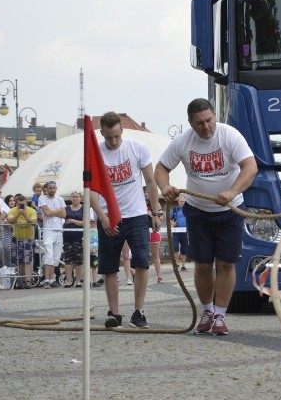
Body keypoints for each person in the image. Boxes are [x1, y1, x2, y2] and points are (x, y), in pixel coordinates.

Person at [156, 98, 257, 336]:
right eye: (200, 123)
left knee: (225, 263)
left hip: (230, 211)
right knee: (202, 264)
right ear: (190, 123)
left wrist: (232, 191)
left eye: (209, 120)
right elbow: (161, 168)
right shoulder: (182, 141)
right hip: (198, 211)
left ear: (215, 117)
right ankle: (207, 310)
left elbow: (250, 167)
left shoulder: (230, 135)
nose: (206, 127)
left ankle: (221, 315)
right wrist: (165, 187)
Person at [90, 111, 162, 329]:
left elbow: (150, 181)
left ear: (122, 130)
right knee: (109, 267)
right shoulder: (95, 155)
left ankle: (139, 312)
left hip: (137, 214)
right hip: (109, 216)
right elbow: (90, 190)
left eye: (116, 136)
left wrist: (156, 211)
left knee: (141, 262)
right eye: (108, 137)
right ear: (101, 133)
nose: (112, 141)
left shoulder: (137, 148)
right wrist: (102, 218)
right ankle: (114, 313)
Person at [38, 181, 66, 288]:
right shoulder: (42, 199)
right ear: (46, 189)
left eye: (54, 188)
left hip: (58, 229)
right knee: (48, 255)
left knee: (56, 256)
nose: (52, 190)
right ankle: (46, 280)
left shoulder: (60, 199)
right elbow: (47, 213)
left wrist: (53, 212)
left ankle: (51, 279)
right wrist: (57, 211)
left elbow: (64, 214)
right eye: (50, 188)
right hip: (48, 230)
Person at [6, 194, 37, 289]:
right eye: (19, 205)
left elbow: (33, 222)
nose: (21, 207)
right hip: (17, 238)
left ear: (26, 203)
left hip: (28, 239)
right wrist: (18, 214)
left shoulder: (31, 211)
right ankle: (21, 280)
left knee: (28, 260)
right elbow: (10, 221)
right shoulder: (12, 210)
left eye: (23, 204)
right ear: (16, 204)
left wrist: (25, 215)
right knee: (19, 261)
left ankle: (28, 280)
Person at [62, 191, 85, 287]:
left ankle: (79, 280)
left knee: (78, 259)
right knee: (68, 259)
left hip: (78, 236)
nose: (75, 198)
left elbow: (84, 222)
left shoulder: (83, 209)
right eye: (73, 197)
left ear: (80, 198)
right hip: (67, 236)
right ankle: (69, 280)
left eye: (77, 197)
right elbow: (62, 218)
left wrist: (71, 220)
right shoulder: (66, 208)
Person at [169, 195, 189, 271]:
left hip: (185, 232)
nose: (182, 203)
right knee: (176, 248)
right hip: (176, 232)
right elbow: (169, 219)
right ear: (178, 202)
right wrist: (172, 223)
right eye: (180, 201)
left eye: (183, 202)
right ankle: (177, 263)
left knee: (184, 249)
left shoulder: (188, 210)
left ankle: (183, 265)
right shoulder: (174, 210)